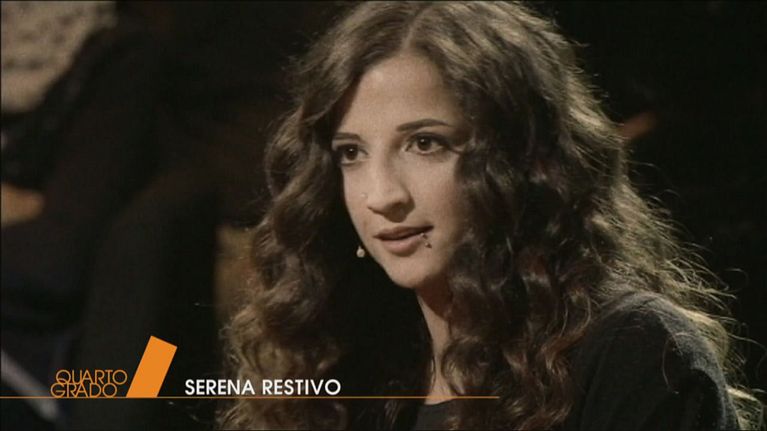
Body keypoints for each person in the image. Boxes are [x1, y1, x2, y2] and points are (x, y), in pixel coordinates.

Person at [221, 2, 762, 430]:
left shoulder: (634, 353)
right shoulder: (349, 361)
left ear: (521, 160)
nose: (382, 195)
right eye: (351, 153)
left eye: (425, 143)